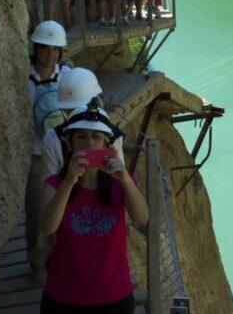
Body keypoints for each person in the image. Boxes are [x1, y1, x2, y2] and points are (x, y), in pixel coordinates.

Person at [39, 104, 148, 313]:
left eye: (96, 136)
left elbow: (141, 217)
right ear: (69, 144)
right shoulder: (54, 184)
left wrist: (125, 179)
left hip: (114, 296)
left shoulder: (122, 182)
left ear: (107, 144)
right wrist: (70, 181)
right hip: (64, 297)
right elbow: (47, 228)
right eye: (81, 136)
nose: (89, 142)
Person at [27, 20, 70, 282]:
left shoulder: (65, 75)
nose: (50, 54)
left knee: (61, 206)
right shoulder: (24, 76)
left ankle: (59, 259)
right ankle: (37, 262)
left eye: (55, 50)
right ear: (36, 48)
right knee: (34, 210)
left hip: (58, 152)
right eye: (45, 48)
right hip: (32, 153)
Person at [40, 67, 125, 182]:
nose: (74, 116)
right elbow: (49, 187)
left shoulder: (113, 136)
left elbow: (119, 182)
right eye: (68, 110)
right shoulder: (53, 139)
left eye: (77, 109)